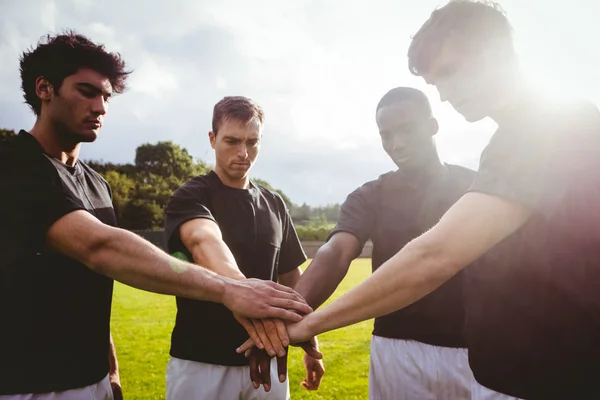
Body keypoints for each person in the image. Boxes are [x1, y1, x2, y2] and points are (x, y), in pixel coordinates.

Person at [242, 1, 600, 398]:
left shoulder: (549, 128)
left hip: (559, 374)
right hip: (519, 372)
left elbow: (436, 255)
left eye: (449, 72)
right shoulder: (513, 139)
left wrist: (309, 324)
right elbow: (335, 253)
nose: (445, 94)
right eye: (435, 83)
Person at [0, 32, 312, 400]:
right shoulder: (13, 165)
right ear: (44, 88)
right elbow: (100, 248)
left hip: (93, 380)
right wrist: (231, 289)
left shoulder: (98, 185)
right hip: (27, 384)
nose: (100, 107)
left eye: (106, 96)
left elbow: (92, 287)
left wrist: (111, 371)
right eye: (86, 91)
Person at [163, 96, 324, 400]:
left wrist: (309, 337)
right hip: (202, 362)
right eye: (232, 141)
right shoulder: (190, 196)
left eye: (252, 142)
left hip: (270, 358)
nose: (243, 153)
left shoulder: (275, 204)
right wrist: (246, 295)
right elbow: (203, 242)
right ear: (212, 139)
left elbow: (293, 279)